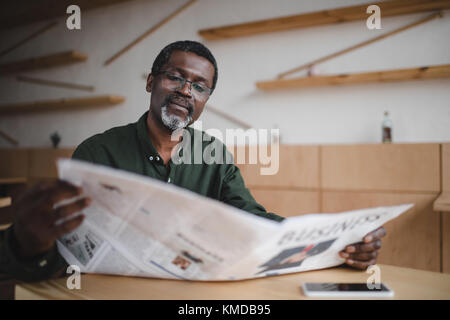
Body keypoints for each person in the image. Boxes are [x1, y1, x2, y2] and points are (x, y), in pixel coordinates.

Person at [0, 40, 386, 282]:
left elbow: (252, 217)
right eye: (175, 78)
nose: (187, 91)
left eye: (200, 86)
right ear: (151, 81)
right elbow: (62, 247)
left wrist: (335, 242)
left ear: (205, 99)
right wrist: (26, 242)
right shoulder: (97, 152)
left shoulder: (215, 153)